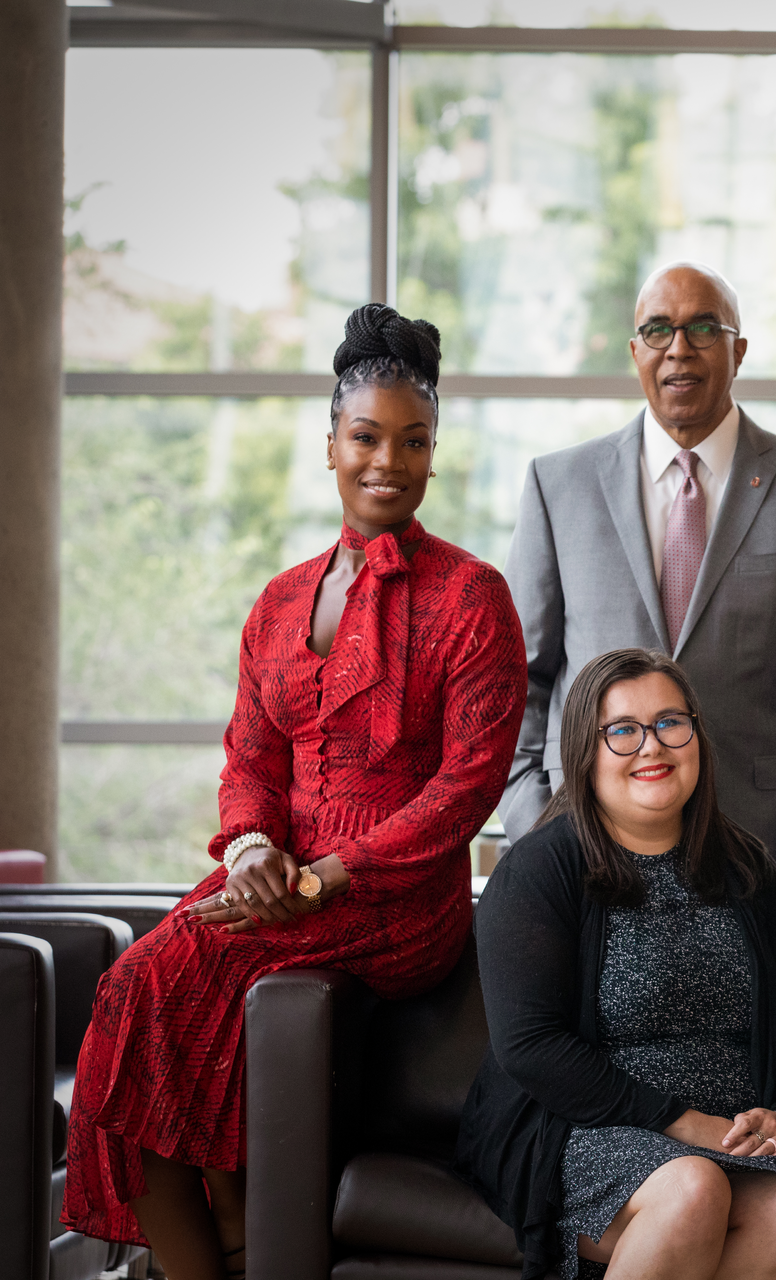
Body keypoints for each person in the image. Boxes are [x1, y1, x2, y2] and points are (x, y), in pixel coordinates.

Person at [62, 304, 528, 1279]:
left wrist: (325, 877)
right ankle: (223, 1241)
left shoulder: (472, 595)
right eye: (366, 437)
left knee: (153, 980)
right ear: (329, 446)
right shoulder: (278, 600)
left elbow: (465, 790)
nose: (389, 461)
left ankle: (221, 1243)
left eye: (414, 441)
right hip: (280, 874)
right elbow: (249, 758)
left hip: (399, 897)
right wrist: (252, 852)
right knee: (134, 994)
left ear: (434, 453)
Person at [457, 648, 776, 1280]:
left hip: (730, 1136)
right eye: (622, 731)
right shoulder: (540, 869)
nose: (652, 746)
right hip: (580, 1126)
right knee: (692, 1189)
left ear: (697, 735)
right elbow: (530, 1046)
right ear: (585, 751)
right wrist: (682, 1124)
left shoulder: (748, 868)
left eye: (670, 722)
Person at [501, 261, 776, 906]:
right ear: (635, 350)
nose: (679, 348)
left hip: (751, 848)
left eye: (703, 328)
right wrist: (536, 831)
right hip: (582, 848)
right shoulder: (559, 486)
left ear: (738, 350)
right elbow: (517, 682)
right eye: (658, 330)